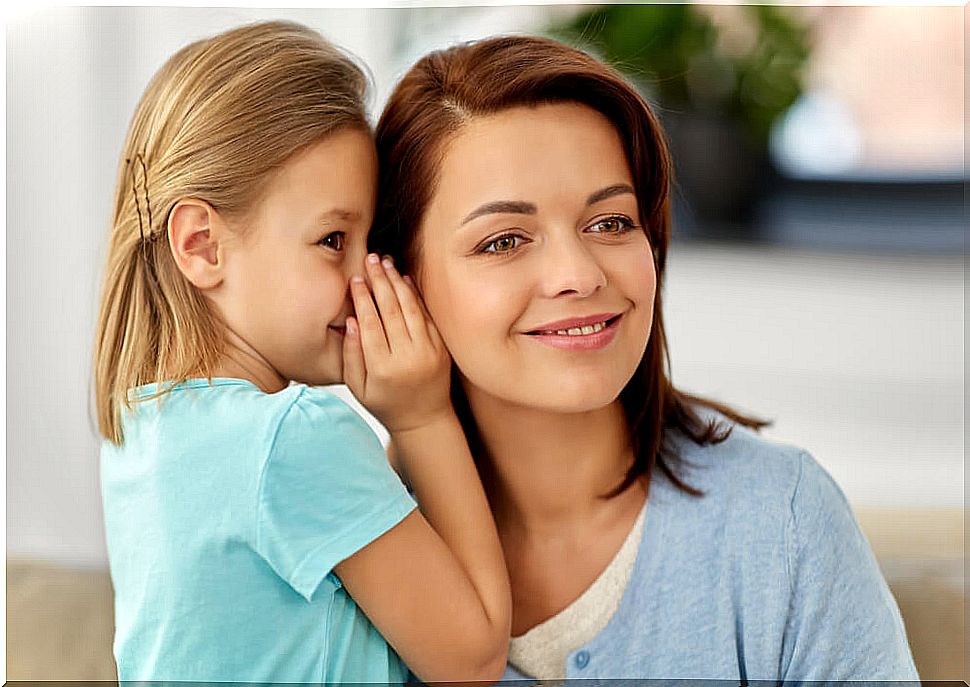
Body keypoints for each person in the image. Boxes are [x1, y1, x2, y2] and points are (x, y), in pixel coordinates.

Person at [370, 34, 919, 681]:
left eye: (610, 222)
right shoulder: (348, 546)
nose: (577, 275)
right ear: (395, 281)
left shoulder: (782, 520)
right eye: (505, 239)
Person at [92, 21, 510, 683]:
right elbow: (474, 655)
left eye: (372, 241)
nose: (368, 276)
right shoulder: (294, 436)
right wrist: (422, 416)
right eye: (333, 240)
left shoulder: (143, 428)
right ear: (202, 245)